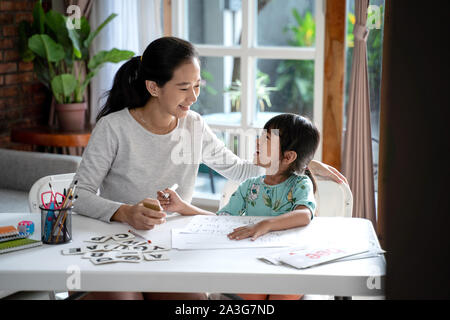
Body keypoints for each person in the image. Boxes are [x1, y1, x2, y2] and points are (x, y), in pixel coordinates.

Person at [73, 36, 347, 300]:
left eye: (197, 85)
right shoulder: (114, 128)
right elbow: (79, 195)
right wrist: (125, 212)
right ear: (154, 87)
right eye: (183, 87)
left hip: (171, 246)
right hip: (118, 243)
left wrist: (297, 161)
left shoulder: (193, 125)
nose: (193, 97)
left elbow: (239, 170)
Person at [158, 113, 319, 300]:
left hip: (287, 260)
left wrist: (264, 224)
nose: (258, 142)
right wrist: (182, 207)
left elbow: (304, 215)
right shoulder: (249, 186)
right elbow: (221, 220)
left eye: (267, 139)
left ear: (288, 156)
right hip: (251, 261)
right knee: (252, 294)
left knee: (284, 291)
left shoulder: (300, 185)